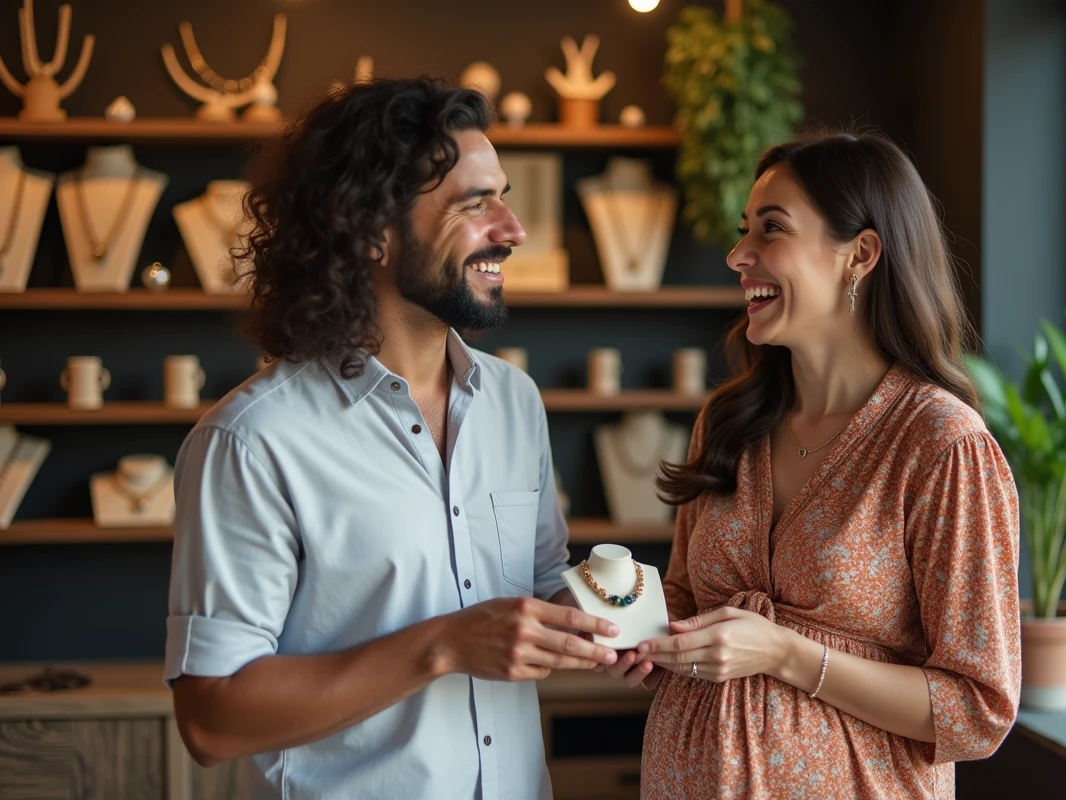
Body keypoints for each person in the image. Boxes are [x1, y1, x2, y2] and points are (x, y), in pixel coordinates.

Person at [164, 77, 620, 800]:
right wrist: (444, 645)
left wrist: (618, 616)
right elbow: (212, 720)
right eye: (474, 204)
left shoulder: (514, 402)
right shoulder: (252, 441)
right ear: (371, 231)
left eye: (501, 197)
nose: (513, 229)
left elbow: (535, 586)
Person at [602, 129, 1021, 798]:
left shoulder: (941, 445)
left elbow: (977, 712)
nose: (739, 255)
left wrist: (785, 653)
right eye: (743, 231)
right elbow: (685, 597)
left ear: (861, 254)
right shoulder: (726, 421)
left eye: (771, 229)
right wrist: (644, 639)